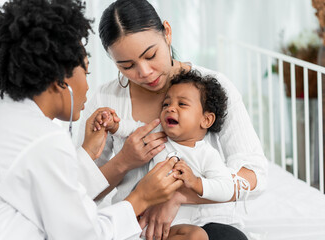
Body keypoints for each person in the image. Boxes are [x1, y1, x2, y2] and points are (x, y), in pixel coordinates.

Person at [0, 1, 184, 239]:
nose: (88, 86)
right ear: (61, 79)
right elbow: (83, 235)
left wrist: (86, 154)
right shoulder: (41, 139)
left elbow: (58, 195)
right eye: (86, 71)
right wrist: (141, 198)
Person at [76, 0, 268, 239]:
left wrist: (177, 196)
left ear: (167, 32)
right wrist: (124, 162)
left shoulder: (211, 88)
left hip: (210, 224)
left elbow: (255, 177)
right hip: (138, 230)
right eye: (127, 66)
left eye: (151, 55)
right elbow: (80, 195)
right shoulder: (106, 99)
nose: (144, 72)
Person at [94, 70, 235, 240]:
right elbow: (131, 129)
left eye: (182, 104)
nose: (170, 108)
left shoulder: (206, 154)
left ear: (206, 120)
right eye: (166, 104)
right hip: (138, 223)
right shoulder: (158, 134)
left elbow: (227, 188)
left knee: (197, 235)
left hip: (172, 229)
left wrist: (196, 183)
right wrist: (113, 125)